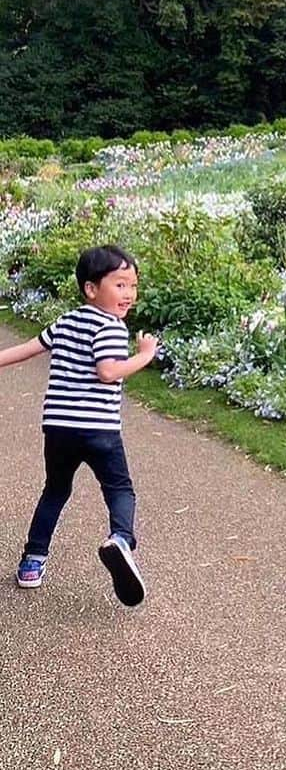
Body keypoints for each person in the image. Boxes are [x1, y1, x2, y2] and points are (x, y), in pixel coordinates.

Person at [0, 245, 158, 606]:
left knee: (55, 491)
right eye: (119, 285)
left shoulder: (67, 321)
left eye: (133, 286)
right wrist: (144, 356)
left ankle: (32, 562)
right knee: (120, 489)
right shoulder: (112, 327)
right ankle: (121, 539)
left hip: (58, 428)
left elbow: (27, 348)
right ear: (91, 288)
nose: (129, 294)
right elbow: (107, 372)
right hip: (98, 429)